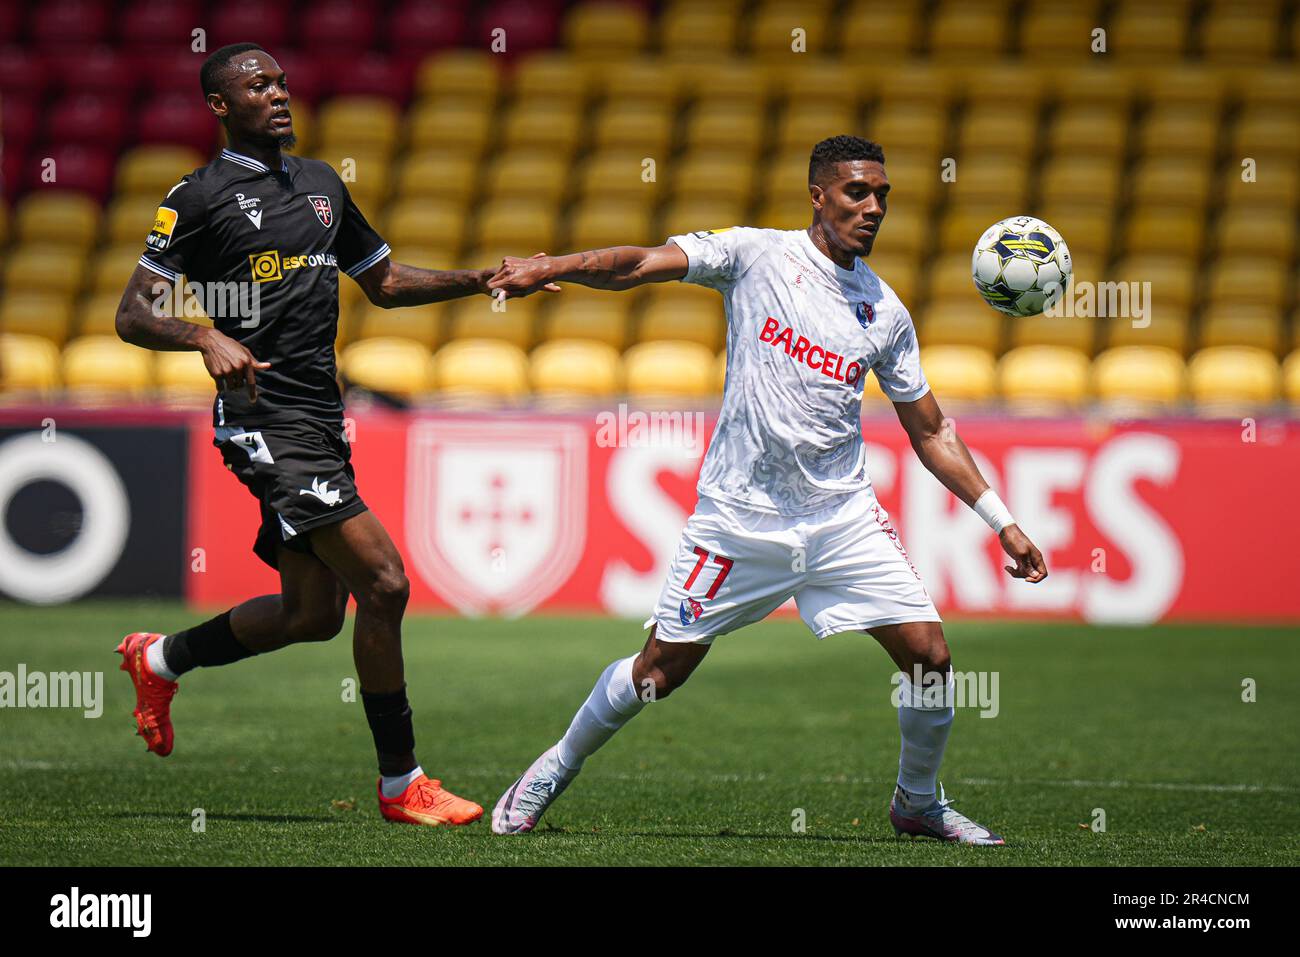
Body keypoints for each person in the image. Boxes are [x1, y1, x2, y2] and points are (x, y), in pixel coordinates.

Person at [485, 135, 1048, 844]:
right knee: (660, 671)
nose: (873, 208)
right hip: (740, 518)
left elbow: (931, 431)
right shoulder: (755, 255)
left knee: (931, 658)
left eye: (882, 195)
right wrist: (550, 266)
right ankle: (554, 766)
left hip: (842, 517)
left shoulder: (885, 310)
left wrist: (1001, 520)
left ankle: (918, 802)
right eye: (856, 193)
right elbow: (638, 264)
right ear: (818, 194)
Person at [113, 43, 530, 827]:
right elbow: (134, 312)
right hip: (263, 419)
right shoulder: (196, 197)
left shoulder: (321, 185)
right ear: (219, 107)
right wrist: (204, 336)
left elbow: (385, 281)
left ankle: (159, 657)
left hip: (319, 420)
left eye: (279, 81)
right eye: (255, 85)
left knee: (311, 615)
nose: (277, 93)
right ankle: (402, 784)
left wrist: (478, 279)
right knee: (385, 583)